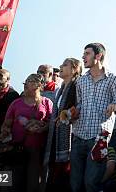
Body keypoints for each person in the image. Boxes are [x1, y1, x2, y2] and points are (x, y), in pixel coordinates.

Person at [71, 43, 116, 192]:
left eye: (87, 54)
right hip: (78, 136)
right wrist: (73, 112)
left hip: (100, 138)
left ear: (98, 56)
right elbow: (79, 104)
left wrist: (115, 106)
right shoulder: (80, 81)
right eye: (83, 53)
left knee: (92, 184)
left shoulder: (113, 79)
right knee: (75, 185)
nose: (83, 57)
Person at [1, 74, 53, 192]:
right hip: (17, 148)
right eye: (26, 81)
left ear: (39, 85)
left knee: (33, 184)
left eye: (29, 81)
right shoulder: (16, 103)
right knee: (13, 183)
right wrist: (5, 131)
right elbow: (5, 125)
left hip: (37, 149)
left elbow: (52, 123)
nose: (25, 84)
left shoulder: (46, 102)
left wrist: (42, 128)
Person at [44, 58, 82, 192]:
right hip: (56, 136)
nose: (60, 66)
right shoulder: (60, 90)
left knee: (65, 177)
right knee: (54, 174)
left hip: (70, 137)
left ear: (74, 69)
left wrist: (66, 115)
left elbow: (78, 108)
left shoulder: (78, 86)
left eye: (65, 64)